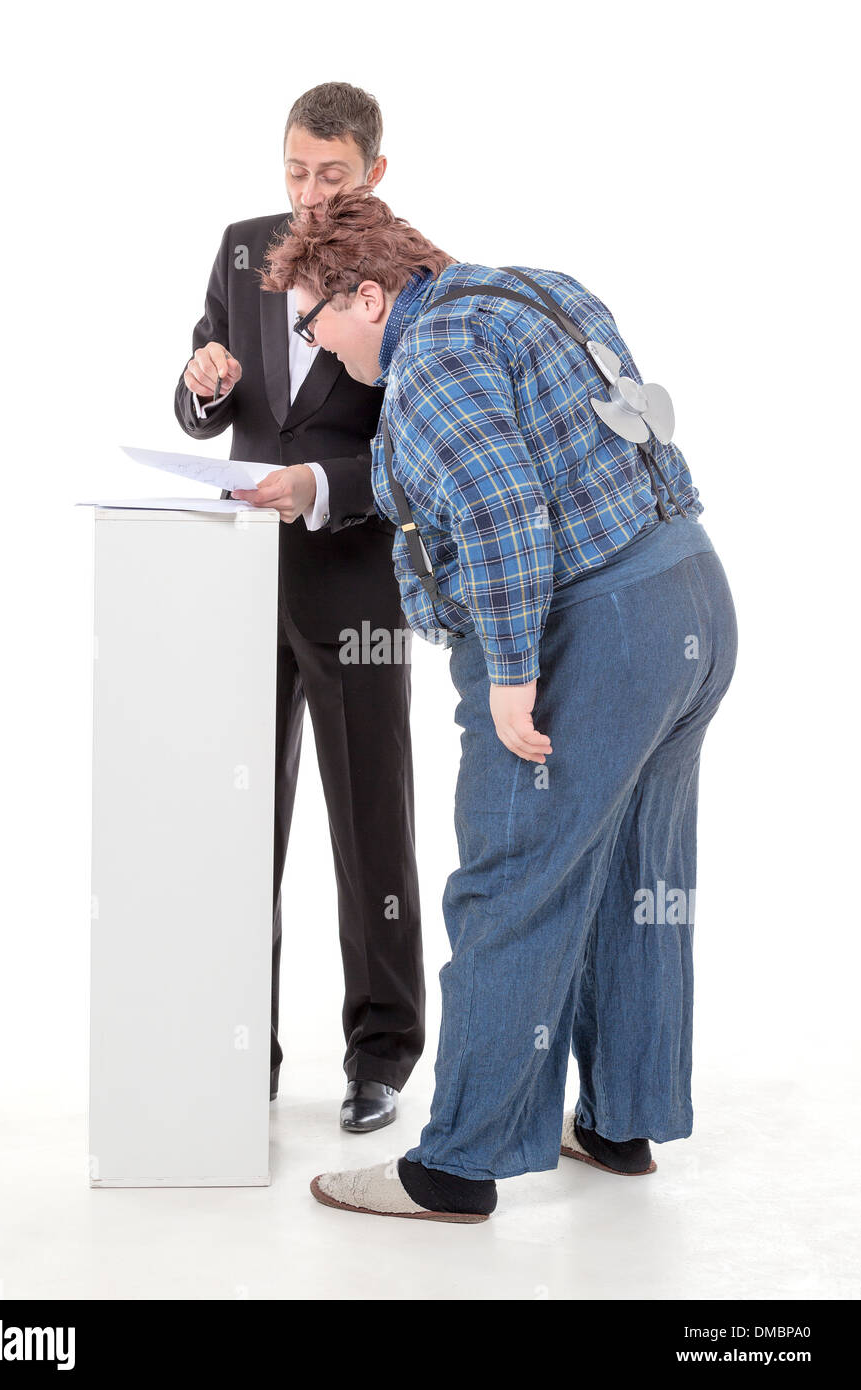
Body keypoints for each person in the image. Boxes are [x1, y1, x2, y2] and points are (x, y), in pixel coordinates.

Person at [262, 191, 738, 1222]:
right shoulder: (532, 288)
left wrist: (514, 673)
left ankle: (456, 1165)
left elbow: (503, 510)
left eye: (315, 320)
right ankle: (619, 1121)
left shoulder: (427, 357)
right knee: (635, 877)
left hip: (593, 632)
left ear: (369, 294)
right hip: (688, 593)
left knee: (510, 885)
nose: (317, 343)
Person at [174, 88, 424, 1132]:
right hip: (244, 576)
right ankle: (244, 1053)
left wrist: (321, 486)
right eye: (294, 170)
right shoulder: (241, 251)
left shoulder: (410, 273)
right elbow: (200, 406)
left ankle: (380, 1055)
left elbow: (415, 445)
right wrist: (204, 380)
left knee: (370, 820)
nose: (309, 193)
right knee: (239, 826)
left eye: (330, 173)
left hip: (355, 576)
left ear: (373, 168)